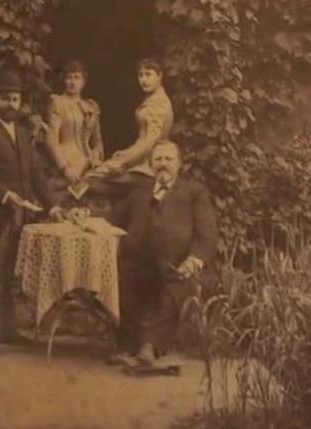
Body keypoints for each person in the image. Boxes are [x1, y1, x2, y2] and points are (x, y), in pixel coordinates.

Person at [0, 69, 65, 360]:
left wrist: (53, 206)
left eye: (15, 99)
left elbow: (36, 175)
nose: (10, 104)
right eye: (5, 98)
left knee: (10, 275)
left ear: (21, 103)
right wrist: (4, 195)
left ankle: (8, 330)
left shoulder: (22, 134)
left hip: (21, 218)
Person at [107, 141, 218, 366]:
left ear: (178, 164)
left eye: (168, 159)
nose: (163, 164)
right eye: (158, 159)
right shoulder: (139, 193)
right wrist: (83, 216)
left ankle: (150, 345)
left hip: (177, 263)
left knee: (178, 287)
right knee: (121, 278)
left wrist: (193, 260)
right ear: (150, 164)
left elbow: (207, 234)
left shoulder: (193, 193)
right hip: (138, 264)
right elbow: (112, 219)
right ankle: (127, 345)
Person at [86, 57, 173, 196]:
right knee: (93, 177)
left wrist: (124, 163)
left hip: (146, 165)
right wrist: (126, 153)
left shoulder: (158, 103)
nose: (143, 80)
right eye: (140, 75)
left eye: (148, 74)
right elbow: (142, 139)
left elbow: (150, 142)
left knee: (89, 180)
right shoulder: (152, 99)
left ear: (160, 75)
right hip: (139, 159)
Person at [44, 60, 104, 200]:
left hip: (88, 165)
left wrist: (96, 157)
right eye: (69, 77)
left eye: (77, 77)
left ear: (83, 82)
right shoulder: (57, 102)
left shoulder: (91, 106)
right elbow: (51, 140)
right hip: (67, 162)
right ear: (64, 80)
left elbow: (97, 141)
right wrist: (64, 168)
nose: (72, 82)